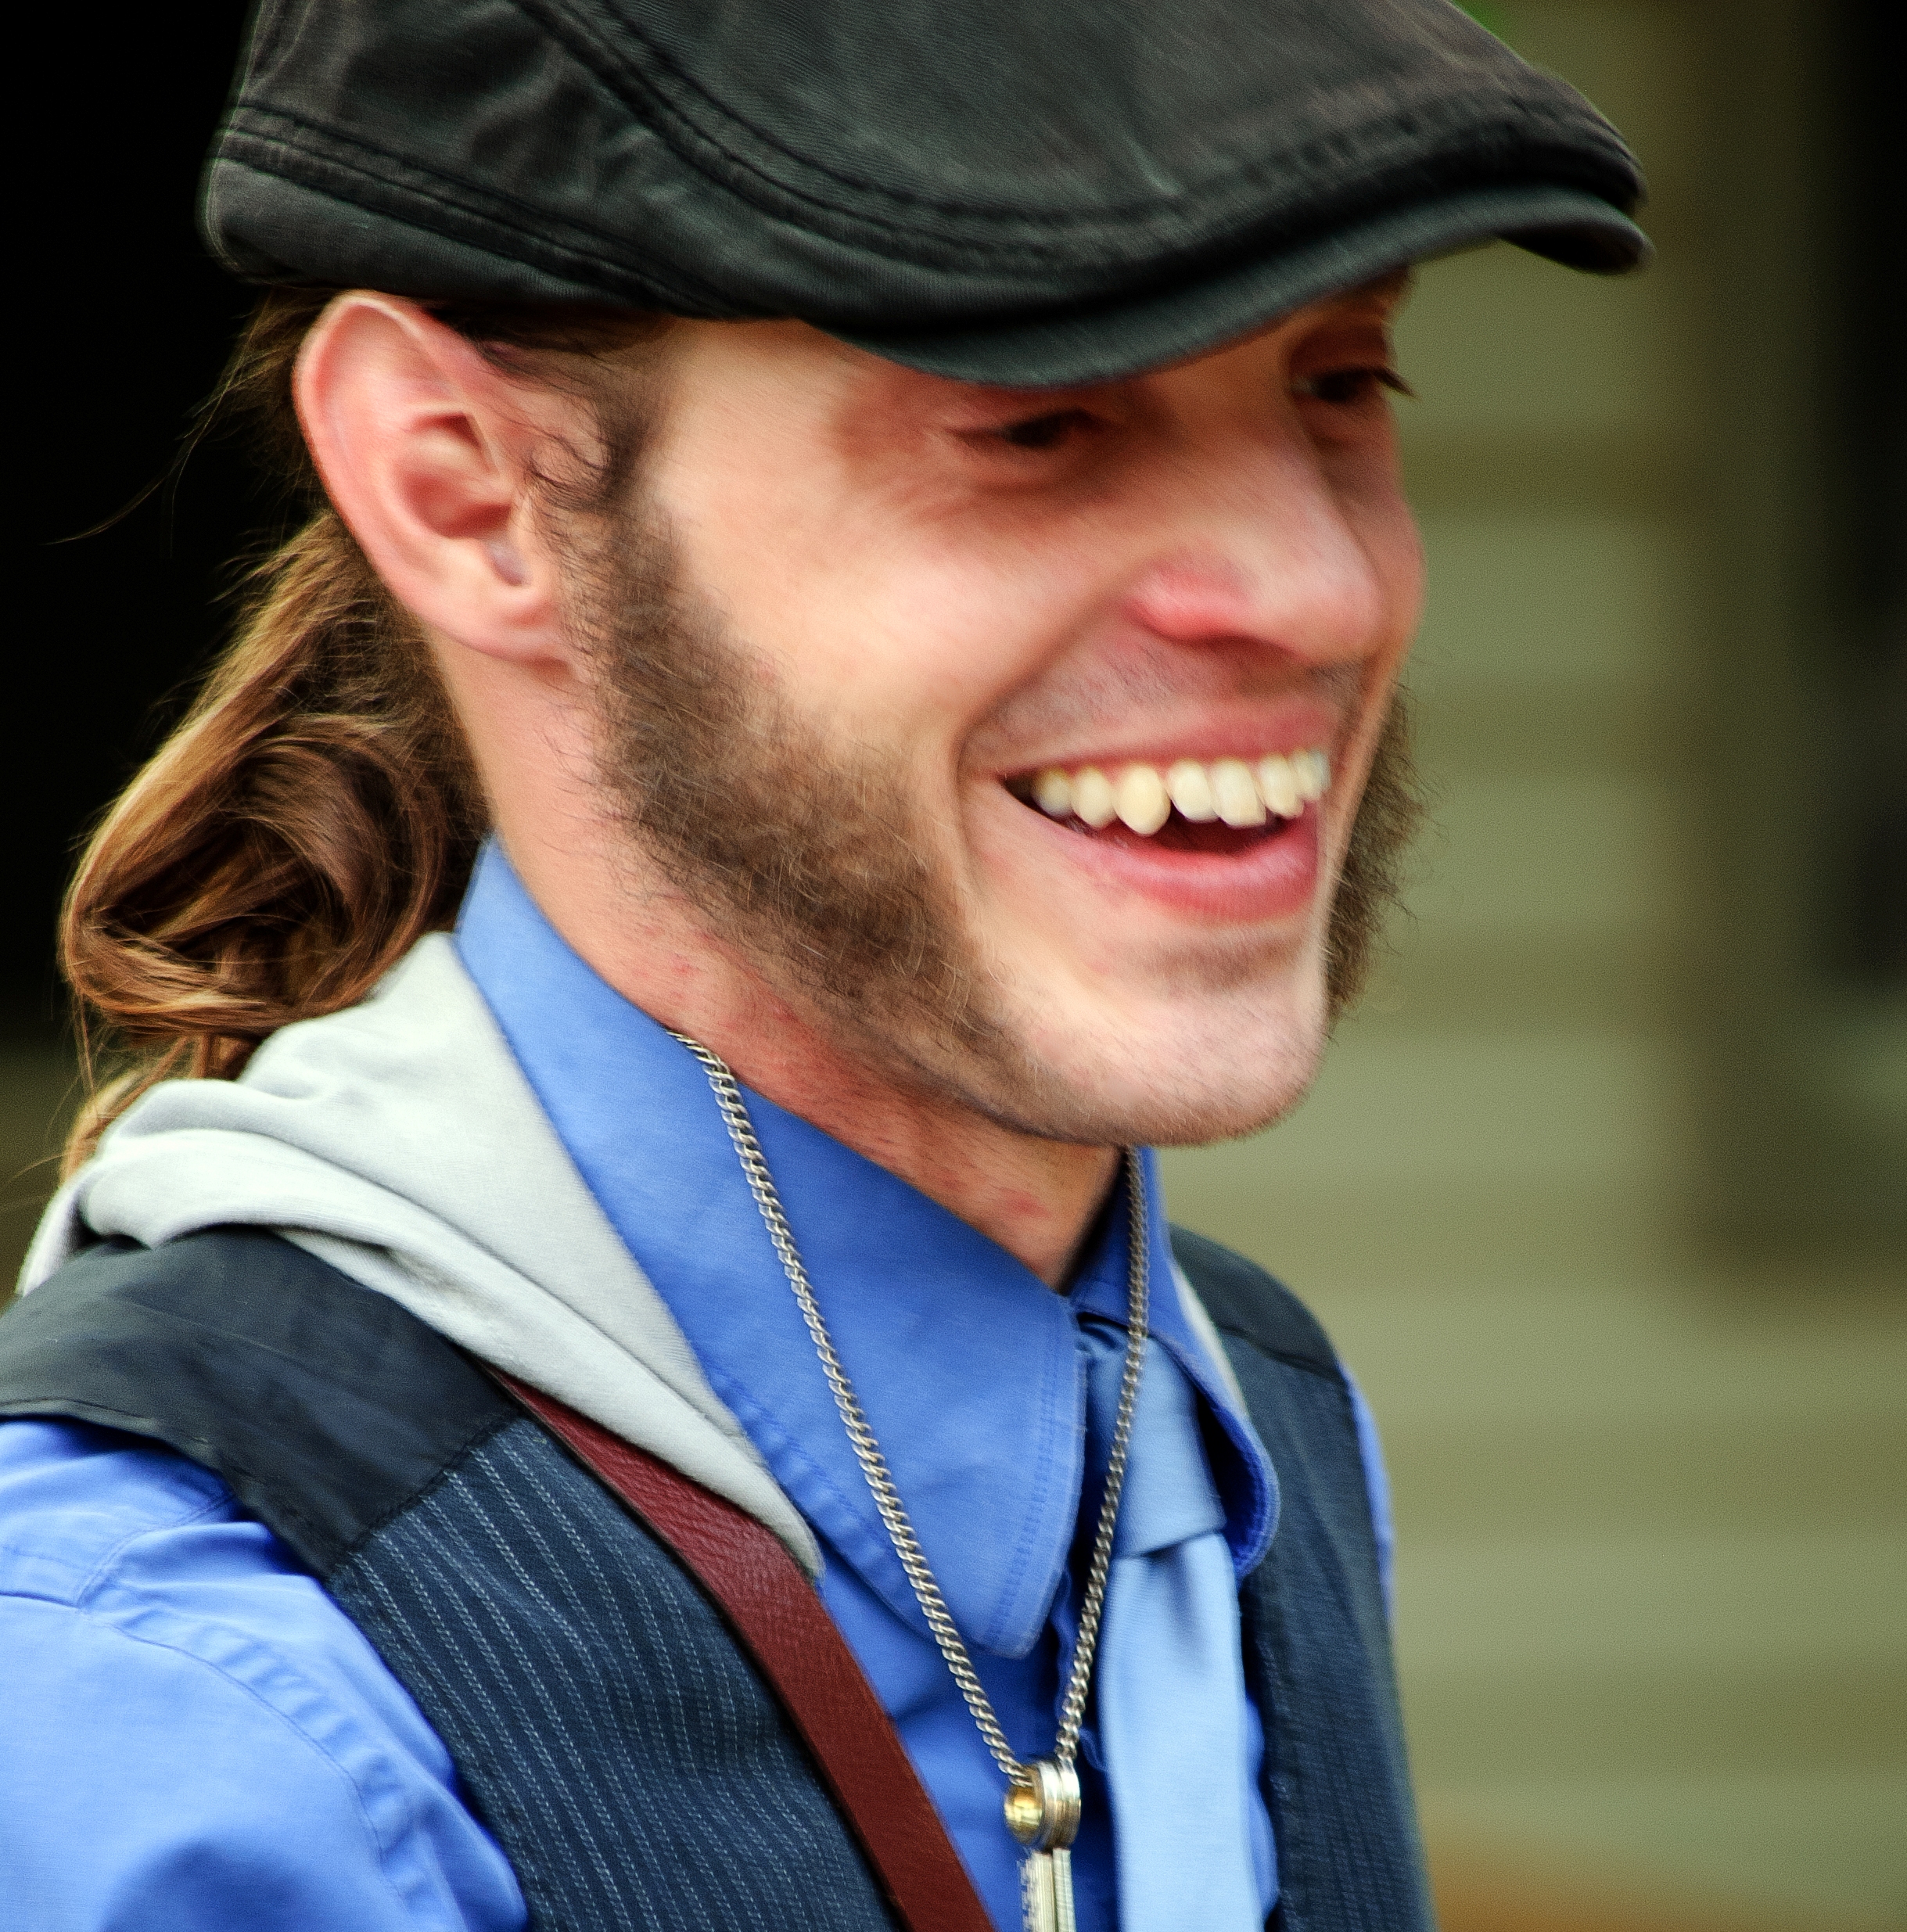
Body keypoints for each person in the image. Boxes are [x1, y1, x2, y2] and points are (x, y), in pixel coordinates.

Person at [0, 1, 1647, 1927]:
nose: (1315, 589)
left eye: (1340, 380)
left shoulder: (1247, 1421)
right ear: (467, 487)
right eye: (1038, 418)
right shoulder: (159, 1695)